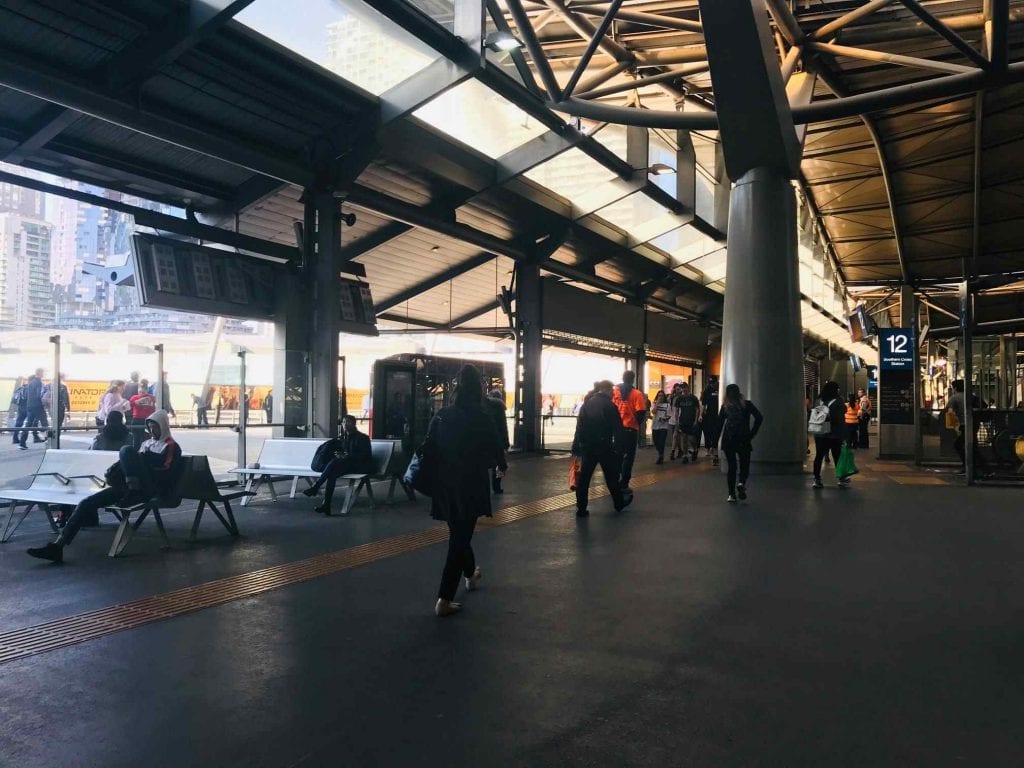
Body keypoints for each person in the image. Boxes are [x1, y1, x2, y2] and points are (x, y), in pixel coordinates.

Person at [26, 410, 181, 563]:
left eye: (155, 426)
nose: (152, 430)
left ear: (163, 426)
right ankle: (57, 546)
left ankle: (133, 489)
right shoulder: (147, 443)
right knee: (86, 503)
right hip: (128, 489)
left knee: (127, 450)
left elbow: (166, 473)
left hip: (151, 487)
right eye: (151, 426)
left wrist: (145, 460)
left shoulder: (171, 446)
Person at [428, 365, 507, 617]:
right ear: (478, 388)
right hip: (470, 484)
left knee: (458, 532)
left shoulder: (442, 415)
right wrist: (500, 466)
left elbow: (428, 445)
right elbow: (495, 445)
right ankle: (444, 598)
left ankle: (471, 573)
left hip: (444, 484)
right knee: (459, 539)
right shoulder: (481, 416)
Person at [572, 379, 629, 517]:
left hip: (588, 447)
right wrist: (620, 448)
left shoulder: (587, 404)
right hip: (605, 447)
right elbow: (618, 429)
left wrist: (578, 446)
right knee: (611, 477)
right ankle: (619, 503)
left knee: (584, 479)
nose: (613, 394)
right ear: (608, 389)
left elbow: (579, 426)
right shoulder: (610, 406)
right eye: (612, 391)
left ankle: (581, 508)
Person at [302, 414, 373, 515]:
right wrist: (342, 455)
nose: (345, 424)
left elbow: (365, 456)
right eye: (343, 422)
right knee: (332, 474)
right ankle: (326, 506)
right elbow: (344, 453)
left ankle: (316, 487)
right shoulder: (343, 438)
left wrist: (347, 456)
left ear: (354, 423)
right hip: (348, 465)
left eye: (348, 422)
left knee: (334, 463)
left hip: (360, 466)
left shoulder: (362, 438)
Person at [718, 383, 763, 502]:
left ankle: (731, 495)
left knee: (732, 467)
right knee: (744, 465)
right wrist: (752, 433)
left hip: (728, 440)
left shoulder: (725, 407)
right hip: (744, 438)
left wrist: (715, 442)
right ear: (739, 393)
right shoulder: (747, 405)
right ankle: (741, 483)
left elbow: (719, 424)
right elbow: (759, 417)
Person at [612, 370, 646, 491]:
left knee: (617, 456)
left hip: (617, 430)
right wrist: (636, 423)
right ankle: (624, 483)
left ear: (622, 378)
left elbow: (611, 408)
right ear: (633, 379)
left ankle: (614, 481)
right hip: (630, 429)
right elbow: (641, 411)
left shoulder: (615, 392)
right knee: (629, 457)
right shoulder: (636, 394)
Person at [811, 380, 847, 489]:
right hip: (834, 433)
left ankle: (817, 479)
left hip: (820, 432)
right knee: (837, 456)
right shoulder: (839, 401)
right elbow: (840, 418)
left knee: (819, 456)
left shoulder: (818, 400)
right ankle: (841, 479)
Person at [484, 389, 510, 493]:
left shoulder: (484, 406)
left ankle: (483, 488)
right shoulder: (500, 408)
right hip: (498, 441)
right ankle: (497, 486)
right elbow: (503, 427)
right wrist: (506, 442)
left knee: (483, 464)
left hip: (486, 440)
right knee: (500, 465)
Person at [18, 369, 49, 449]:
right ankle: (49, 440)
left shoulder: (31, 382)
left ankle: (22, 443)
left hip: (30, 405)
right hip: (38, 405)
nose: (44, 374)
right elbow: (40, 394)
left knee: (28, 424)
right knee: (45, 422)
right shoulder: (38, 382)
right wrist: (44, 402)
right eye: (43, 372)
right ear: (40, 373)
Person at [673, 382, 701, 464]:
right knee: (684, 438)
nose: (684, 389)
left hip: (691, 421)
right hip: (683, 421)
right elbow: (676, 410)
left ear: (688, 387)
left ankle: (695, 449)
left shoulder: (693, 398)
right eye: (682, 387)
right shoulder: (679, 399)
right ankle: (685, 455)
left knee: (691, 438)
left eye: (685, 387)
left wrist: (696, 420)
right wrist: (677, 421)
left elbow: (697, 410)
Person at [701, 378, 721, 467]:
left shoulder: (720, 389)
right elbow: (703, 404)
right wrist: (701, 415)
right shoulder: (706, 391)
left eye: (713, 383)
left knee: (715, 434)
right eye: (710, 383)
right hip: (708, 416)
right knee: (708, 433)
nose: (712, 384)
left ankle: (714, 451)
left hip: (718, 415)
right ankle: (710, 449)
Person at [650, 390, 672, 464]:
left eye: (662, 395)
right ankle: (660, 453)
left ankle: (660, 456)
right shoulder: (654, 404)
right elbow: (653, 412)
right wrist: (657, 403)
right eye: (659, 395)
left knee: (661, 442)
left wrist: (664, 418)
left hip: (664, 426)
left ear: (664, 397)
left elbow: (669, 415)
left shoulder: (667, 405)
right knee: (656, 442)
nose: (660, 397)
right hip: (655, 426)